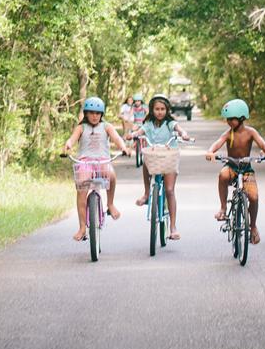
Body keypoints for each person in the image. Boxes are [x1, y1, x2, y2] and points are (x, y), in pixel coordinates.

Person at [204, 99, 265, 244]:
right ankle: (223, 208)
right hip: (231, 167)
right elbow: (218, 142)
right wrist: (211, 151)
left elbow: (262, 143)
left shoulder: (251, 132)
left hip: (246, 170)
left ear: (242, 117)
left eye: (232, 119)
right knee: (223, 175)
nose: (229, 122)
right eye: (227, 119)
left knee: (254, 197)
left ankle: (253, 226)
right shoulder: (228, 133)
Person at [63, 96, 130, 242]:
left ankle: (110, 204)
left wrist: (124, 147)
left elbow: (117, 138)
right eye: (91, 113)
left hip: (102, 160)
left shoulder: (106, 126)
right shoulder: (81, 127)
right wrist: (67, 145)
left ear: (102, 114)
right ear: (86, 113)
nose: (95, 116)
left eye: (98, 113)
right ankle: (82, 227)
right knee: (81, 190)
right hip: (85, 162)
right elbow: (72, 139)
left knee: (111, 175)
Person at [126, 95, 191, 239]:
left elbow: (179, 129)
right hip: (154, 157)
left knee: (169, 190)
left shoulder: (170, 123)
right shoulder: (149, 123)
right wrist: (134, 135)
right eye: (157, 109)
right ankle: (147, 193)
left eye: (162, 109)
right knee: (145, 162)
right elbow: (141, 131)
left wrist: (184, 134)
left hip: (169, 158)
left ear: (167, 110)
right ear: (152, 110)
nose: (160, 112)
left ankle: (173, 227)